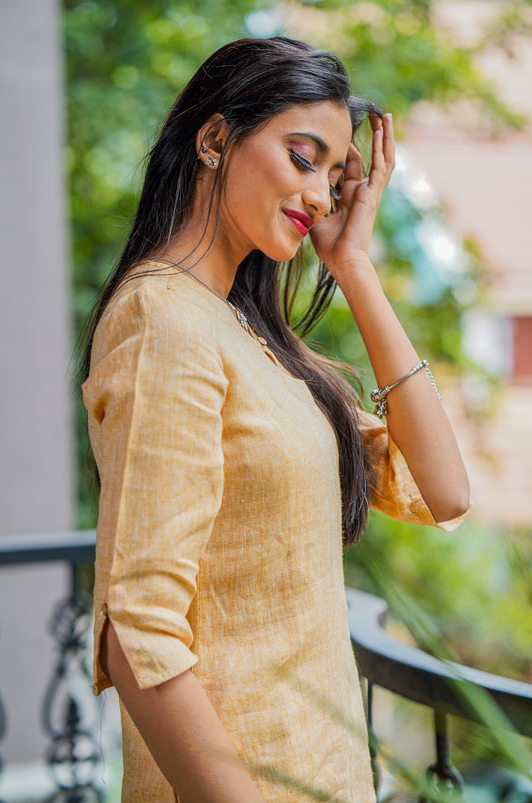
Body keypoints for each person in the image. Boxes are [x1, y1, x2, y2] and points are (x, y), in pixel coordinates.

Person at [80, 36, 470, 803]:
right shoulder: (162, 320)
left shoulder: (253, 336)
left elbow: (444, 489)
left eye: (334, 175)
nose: (323, 195)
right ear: (215, 139)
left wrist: (353, 267)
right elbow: (138, 631)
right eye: (302, 157)